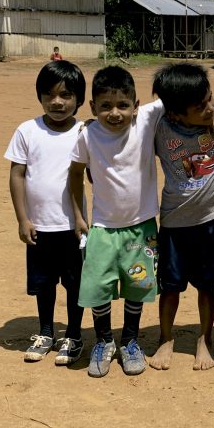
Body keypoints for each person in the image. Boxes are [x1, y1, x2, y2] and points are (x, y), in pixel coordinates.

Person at [69, 66, 164, 378]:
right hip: (102, 228)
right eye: (105, 106)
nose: (115, 113)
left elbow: (184, 89)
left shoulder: (147, 120)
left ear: (136, 105)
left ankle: (130, 341)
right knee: (99, 287)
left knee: (137, 285)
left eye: (123, 105)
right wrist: (79, 216)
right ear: (93, 108)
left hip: (142, 225)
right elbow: (74, 174)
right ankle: (104, 341)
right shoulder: (87, 135)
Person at [6, 60, 86, 365]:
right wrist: (22, 218)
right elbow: (17, 175)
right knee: (43, 283)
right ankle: (46, 332)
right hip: (39, 226)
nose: (57, 102)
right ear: (39, 96)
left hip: (74, 227)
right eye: (49, 95)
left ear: (79, 99)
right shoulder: (27, 130)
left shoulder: (83, 130)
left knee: (76, 284)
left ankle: (75, 335)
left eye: (66, 95)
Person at [148, 62, 214, 371]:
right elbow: (126, 117)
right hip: (173, 223)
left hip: (210, 221)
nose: (209, 108)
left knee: (208, 286)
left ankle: (204, 338)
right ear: (176, 114)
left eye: (211, 99)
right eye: (201, 106)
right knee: (170, 287)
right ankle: (166, 338)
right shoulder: (159, 126)